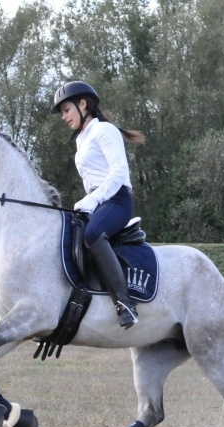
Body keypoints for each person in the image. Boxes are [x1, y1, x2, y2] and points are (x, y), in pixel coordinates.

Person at [52, 80, 145, 329]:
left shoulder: (104, 130)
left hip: (117, 199)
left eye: (66, 110)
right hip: (98, 202)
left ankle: (125, 303)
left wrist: (92, 201)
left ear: (83, 104)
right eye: (62, 113)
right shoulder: (81, 140)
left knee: (92, 233)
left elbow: (118, 172)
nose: (64, 117)